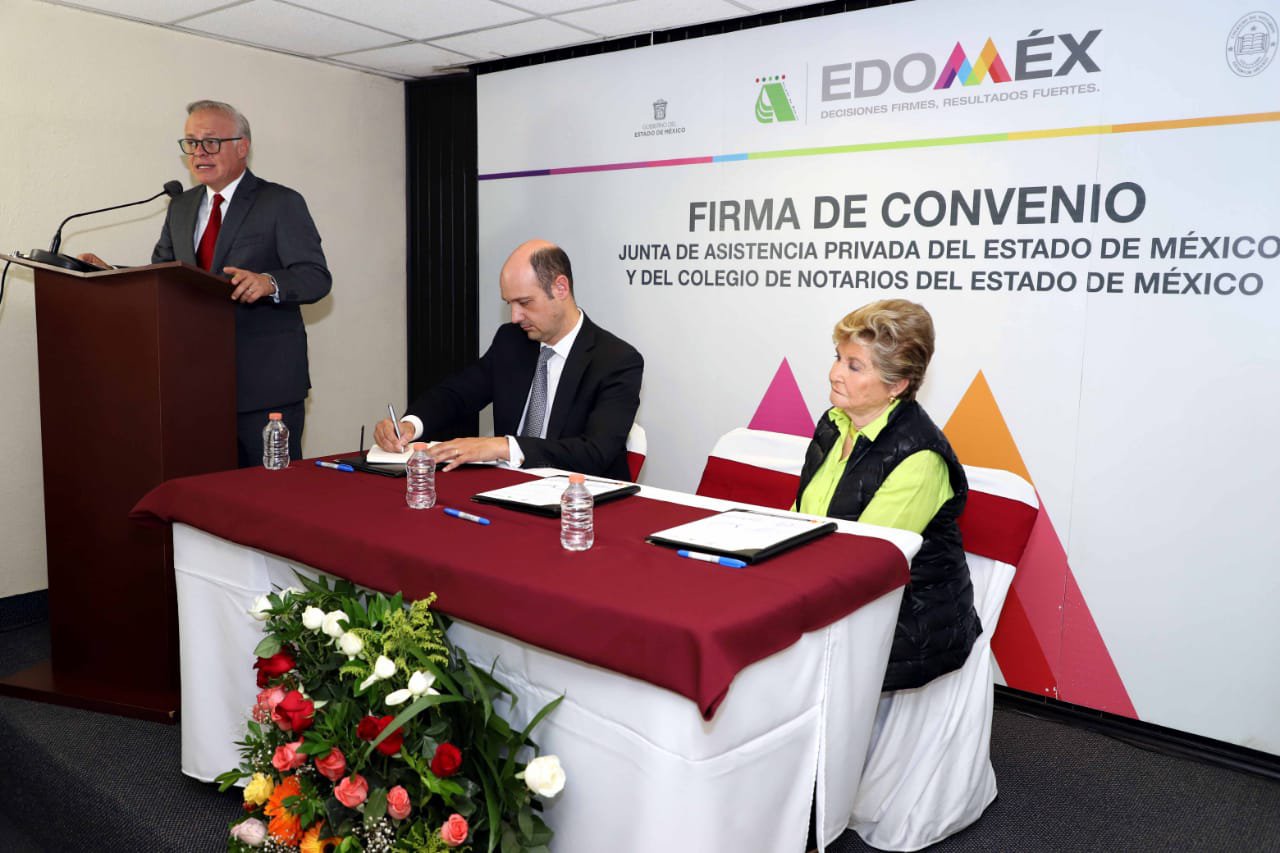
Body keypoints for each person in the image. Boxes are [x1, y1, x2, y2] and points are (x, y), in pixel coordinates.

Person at [80, 100, 331, 467]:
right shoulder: (181, 206)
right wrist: (113, 275)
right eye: (191, 143)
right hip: (195, 385)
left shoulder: (280, 202)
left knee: (270, 492)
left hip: (265, 387)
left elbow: (315, 277)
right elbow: (164, 277)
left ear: (242, 146)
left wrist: (268, 282)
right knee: (207, 492)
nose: (199, 152)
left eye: (210, 142)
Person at [795, 299, 979, 691]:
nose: (834, 373)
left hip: (906, 626)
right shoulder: (834, 423)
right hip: (835, 594)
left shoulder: (921, 458)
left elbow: (865, 563)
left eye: (854, 366)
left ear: (896, 385)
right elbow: (797, 518)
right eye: (838, 357)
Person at [374, 239, 642, 481]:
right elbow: (457, 394)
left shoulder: (616, 360)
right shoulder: (512, 341)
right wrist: (410, 425)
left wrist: (503, 446)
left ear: (560, 288)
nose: (515, 317)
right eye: (509, 304)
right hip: (504, 489)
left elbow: (595, 452)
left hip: (579, 501)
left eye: (525, 302)